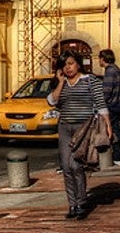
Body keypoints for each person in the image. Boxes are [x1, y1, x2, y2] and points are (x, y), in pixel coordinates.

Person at [47, 51, 111, 221]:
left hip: (84, 128)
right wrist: (60, 82)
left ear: (78, 64)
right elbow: (52, 101)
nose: (68, 68)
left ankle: (82, 202)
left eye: (70, 63)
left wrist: (108, 126)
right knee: (66, 168)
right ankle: (72, 204)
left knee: (76, 166)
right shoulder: (62, 83)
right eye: (64, 65)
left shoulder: (90, 81)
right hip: (64, 128)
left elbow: (101, 104)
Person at [98, 49, 120, 165]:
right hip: (118, 104)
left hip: (111, 106)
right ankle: (117, 157)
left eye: (99, 58)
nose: (98, 61)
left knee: (112, 131)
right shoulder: (117, 71)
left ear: (103, 59)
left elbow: (107, 91)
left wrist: (100, 102)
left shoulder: (110, 72)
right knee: (114, 129)